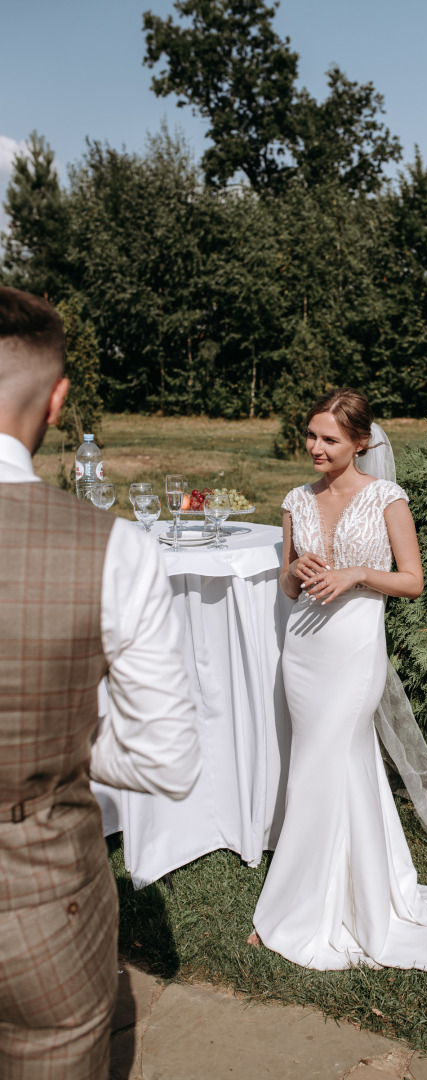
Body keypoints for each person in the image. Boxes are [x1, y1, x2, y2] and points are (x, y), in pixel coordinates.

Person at [0, 286, 200, 1080]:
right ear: (56, 402)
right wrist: (63, 737)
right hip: (38, 900)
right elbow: (166, 763)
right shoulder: (113, 548)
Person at [250, 387, 427, 978]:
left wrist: (360, 575)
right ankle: (347, 886)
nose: (315, 447)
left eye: (329, 439)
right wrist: (293, 570)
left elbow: (413, 581)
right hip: (305, 652)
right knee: (329, 767)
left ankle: (295, 908)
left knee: (324, 762)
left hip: (355, 653)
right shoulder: (295, 500)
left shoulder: (387, 497)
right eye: (311, 435)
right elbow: (287, 588)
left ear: (360, 443)